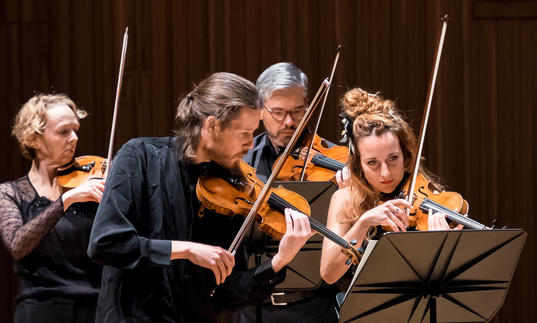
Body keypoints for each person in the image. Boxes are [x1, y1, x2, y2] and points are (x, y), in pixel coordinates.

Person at [87, 72, 314, 323]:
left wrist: (279, 261)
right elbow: (105, 243)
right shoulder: (140, 155)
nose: (251, 144)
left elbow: (228, 292)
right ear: (212, 126)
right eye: (244, 133)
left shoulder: (231, 185)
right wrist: (186, 250)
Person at [320, 88, 464, 284]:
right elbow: (329, 274)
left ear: (405, 155)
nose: (385, 173)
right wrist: (363, 223)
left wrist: (444, 246)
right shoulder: (345, 199)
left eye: (393, 158)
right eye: (372, 163)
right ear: (358, 165)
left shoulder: (429, 198)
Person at [240, 62, 341, 323]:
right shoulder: (241, 163)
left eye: (298, 111)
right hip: (254, 308)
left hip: (315, 307)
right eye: (278, 112)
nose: (289, 122)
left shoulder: (334, 160)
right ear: (260, 111)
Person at [0, 94, 104, 323]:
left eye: (75, 130)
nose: (74, 138)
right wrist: (65, 200)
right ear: (34, 138)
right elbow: (18, 245)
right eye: (63, 131)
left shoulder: (90, 185)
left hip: (94, 309)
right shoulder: (10, 193)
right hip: (40, 311)